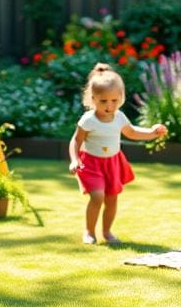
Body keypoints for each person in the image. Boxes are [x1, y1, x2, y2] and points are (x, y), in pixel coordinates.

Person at [69, 63, 167, 245]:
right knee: (97, 196)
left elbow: (132, 132)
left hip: (113, 163)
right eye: (103, 101)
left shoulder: (120, 117)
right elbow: (76, 140)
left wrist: (153, 132)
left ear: (120, 97)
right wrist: (74, 160)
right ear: (93, 99)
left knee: (112, 199)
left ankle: (107, 232)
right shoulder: (88, 120)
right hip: (91, 163)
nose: (109, 106)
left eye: (114, 100)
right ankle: (89, 232)